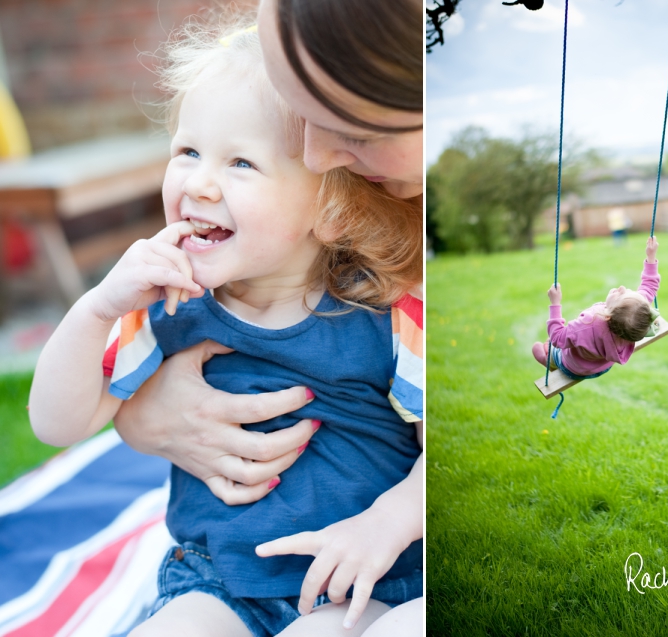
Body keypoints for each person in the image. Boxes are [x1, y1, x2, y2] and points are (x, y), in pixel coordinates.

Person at [29, 16, 422, 637]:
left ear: (333, 209)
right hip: (215, 584)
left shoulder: (387, 315)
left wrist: (390, 520)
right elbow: (57, 424)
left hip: (359, 584)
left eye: (241, 162)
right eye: (187, 151)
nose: (200, 182)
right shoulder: (164, 302)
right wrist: (97, 309)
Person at [532, 237, 660, 380]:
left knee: (546, 347)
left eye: (620, 294)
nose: (622, 288)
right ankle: (551, 351)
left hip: (574, 368)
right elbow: (649, 285)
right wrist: (651, 256)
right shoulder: (637, 314)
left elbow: (557, 337)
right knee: (558, 342)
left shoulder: (587, 326)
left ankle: (548, 360)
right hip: (603, 366)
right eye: (627, 291)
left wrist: (555, 302)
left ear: (608, 316)